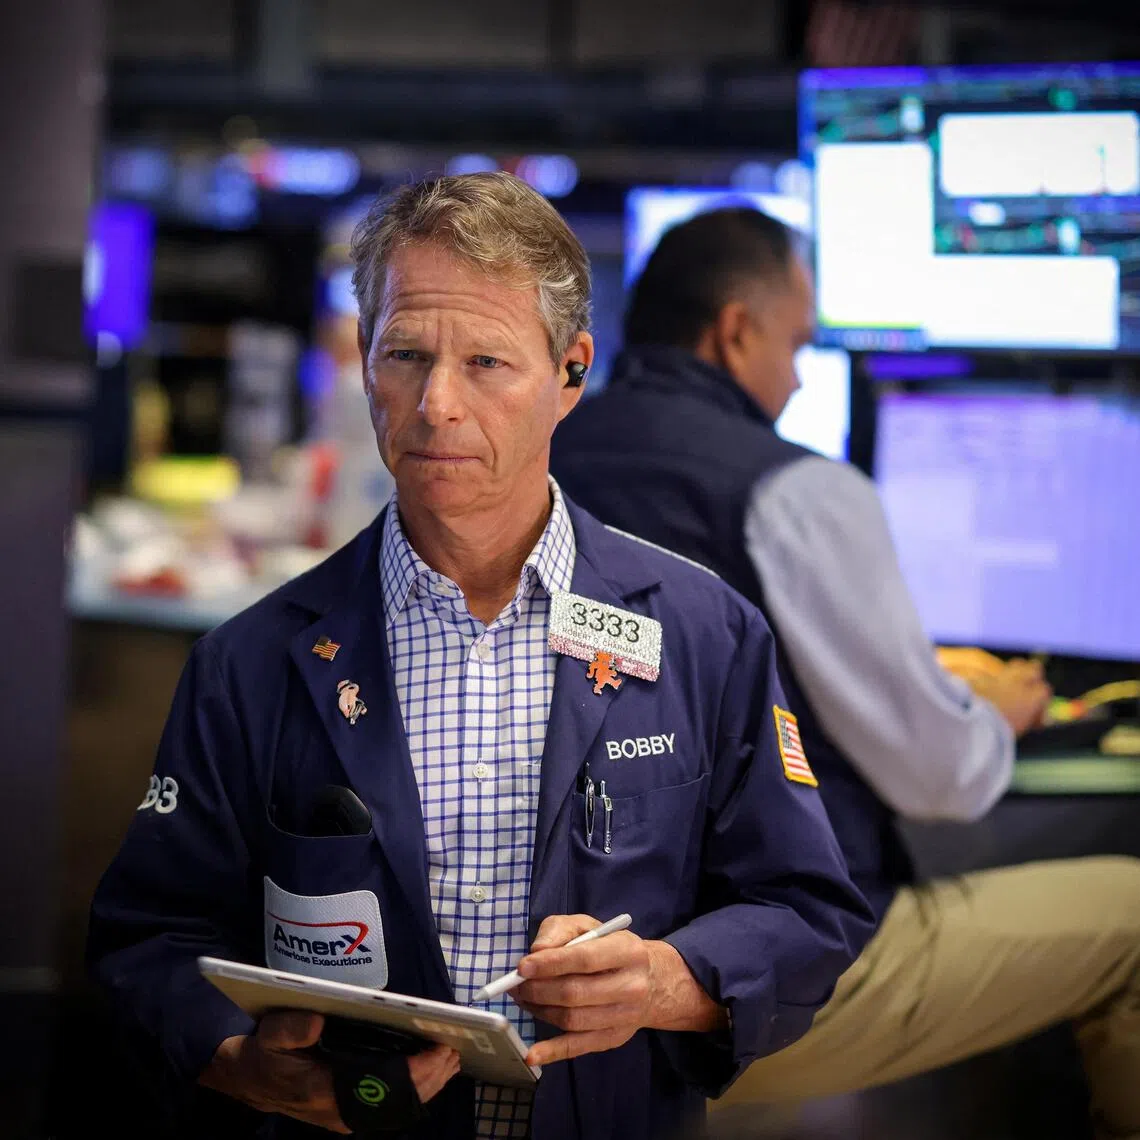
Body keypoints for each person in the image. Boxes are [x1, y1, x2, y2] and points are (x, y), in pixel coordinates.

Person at [87, 175, 875, 1140]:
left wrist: (671, 981)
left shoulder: (705, 635)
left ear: (572, 372)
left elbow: (808, 913)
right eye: (405, 354)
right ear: (364, 364)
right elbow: (146, 937)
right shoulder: (249, 663)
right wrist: (240, 1064)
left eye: (489, 362)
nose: (436, 404)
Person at [550, 206, 1140, 1140]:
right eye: (797, 345)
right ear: (736, 331)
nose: (794, 378)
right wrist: (996, 718)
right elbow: (941, 777)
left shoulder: (538, 458)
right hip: (729, 985)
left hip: (551, 973)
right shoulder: (792, 490)